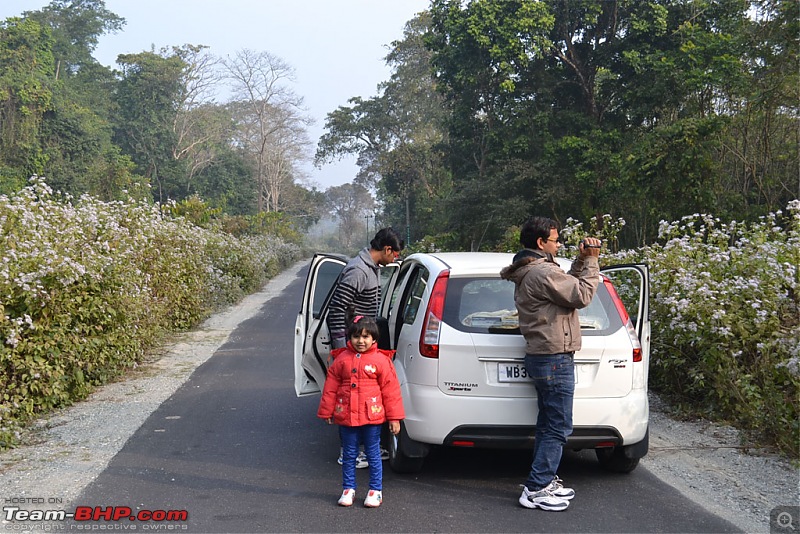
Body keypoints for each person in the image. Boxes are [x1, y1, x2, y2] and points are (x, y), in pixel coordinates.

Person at [499, 216, 601, 511]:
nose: (559, 245)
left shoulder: (532, 270)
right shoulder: (542, 272)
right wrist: (592, 261)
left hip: (544, 355)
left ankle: (542, 479)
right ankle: (536, 488)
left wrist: (581, 260)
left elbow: (568, 285)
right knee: (558, 425)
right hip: (554, 357)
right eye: (556, 240)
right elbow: (581, 294)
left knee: (547, 423)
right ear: (541, 243)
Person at [326, 227, 404, 469]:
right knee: (349, 398)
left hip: (360, 345)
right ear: (387, 249)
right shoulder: (358, 271)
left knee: (363, 398)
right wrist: (343, 349)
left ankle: (361, 449)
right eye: (396, 254)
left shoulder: (371, 269)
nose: (396, 259)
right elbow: (337, 310)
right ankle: (349, 452)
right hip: (351, 346)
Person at [317, 315, 405, 508]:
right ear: (350, 338)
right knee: (349, 454)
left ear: (374, 339)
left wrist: (394, 418)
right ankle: (348, 488)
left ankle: (375, 490)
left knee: (373, 453)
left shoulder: (381, 361)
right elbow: (330, 387)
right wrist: (327, 411)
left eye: (366, 337)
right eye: (357, 336)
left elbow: (391, 392)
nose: (361, 341)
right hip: (346, 415)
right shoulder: (341, 359)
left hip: (371, 417)